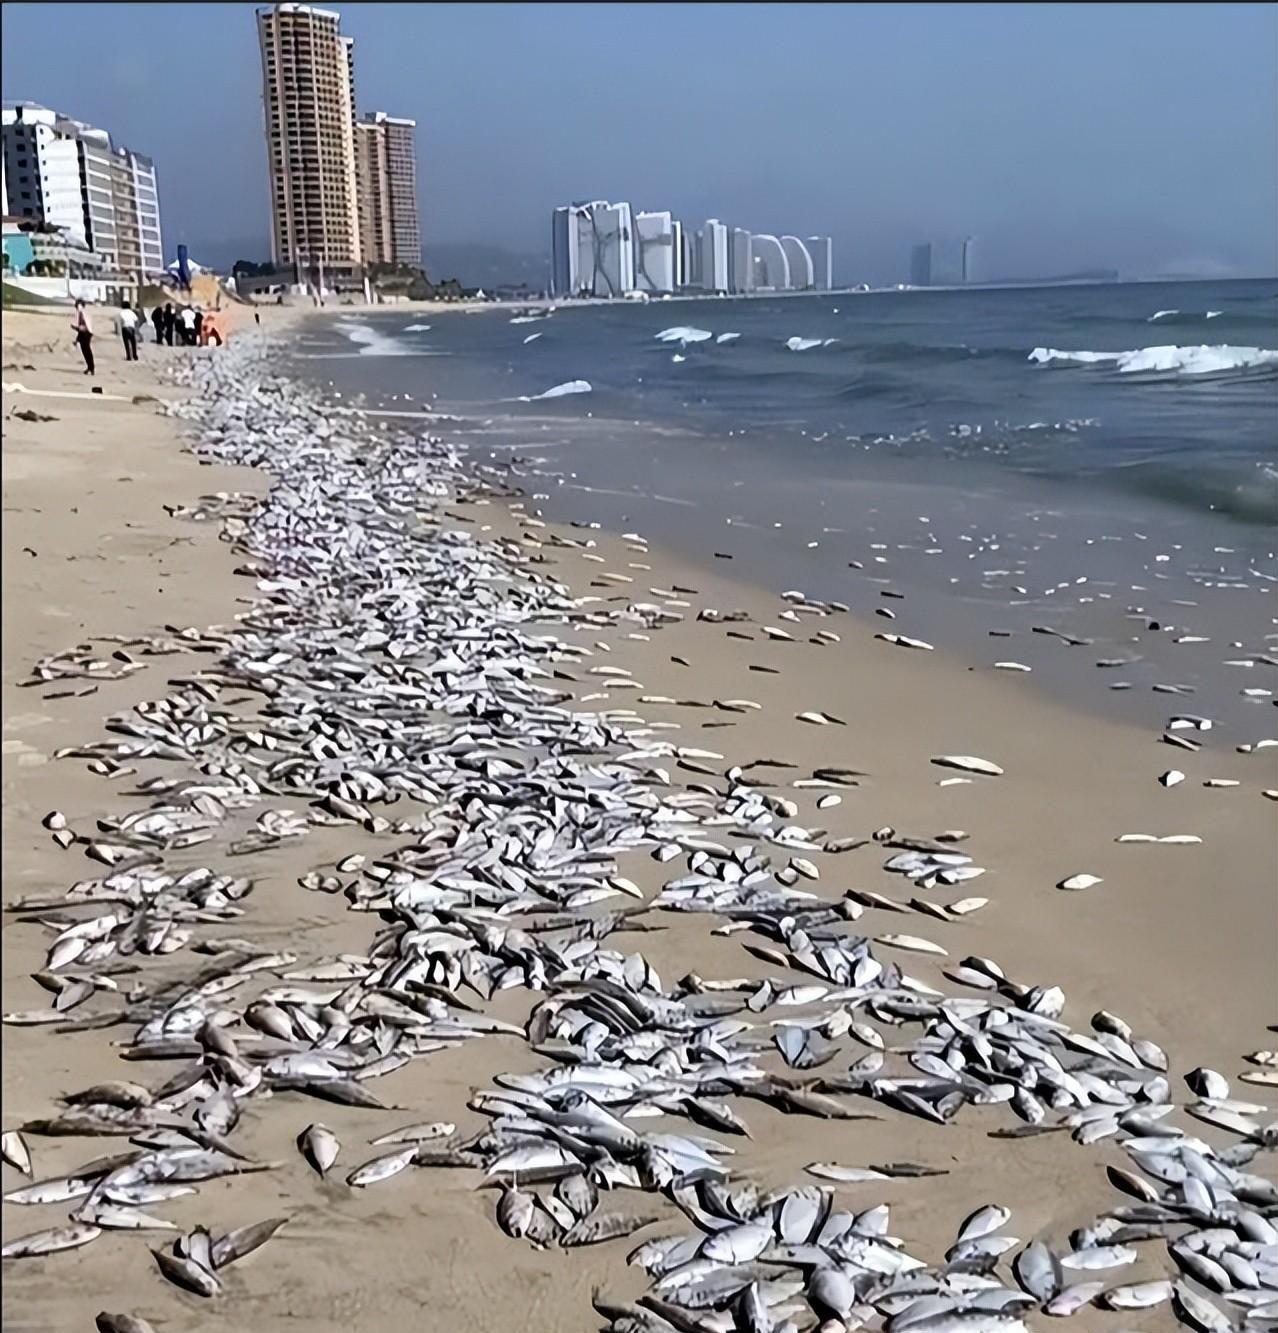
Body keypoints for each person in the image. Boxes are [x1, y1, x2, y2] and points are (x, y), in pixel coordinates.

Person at [70, 300, 94, 376]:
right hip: (85, 333)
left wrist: (75, 327)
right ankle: (90, 367)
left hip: (86, 333)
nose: (77, 307)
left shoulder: (82, 313)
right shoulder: (84, 313)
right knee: (86, 351)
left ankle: (91, 367)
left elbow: (84, 326)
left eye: (77, 305)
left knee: (87, 351)